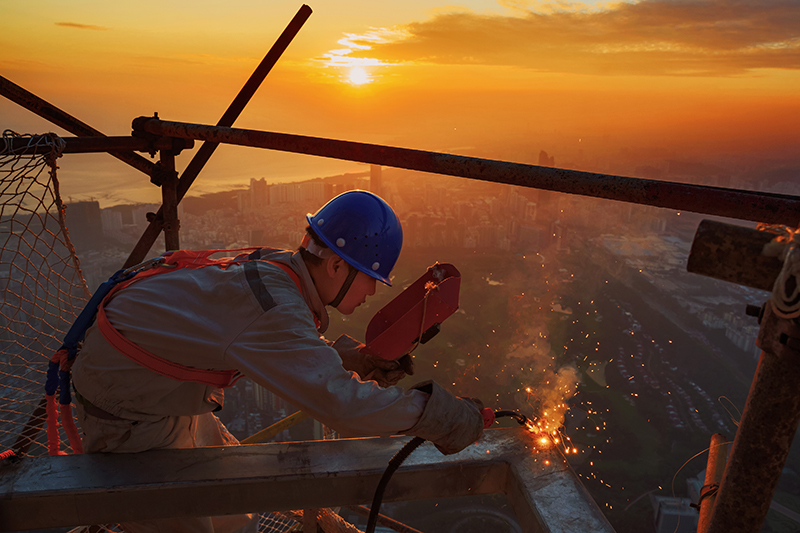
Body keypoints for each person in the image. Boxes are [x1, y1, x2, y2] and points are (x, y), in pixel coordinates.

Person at [70, 190, 484, 533]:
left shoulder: (274, 266)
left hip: (157, 395)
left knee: (236, 511)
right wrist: (440, 416)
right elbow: (342, 405)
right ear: (337, 265)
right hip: (132, 422)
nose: (372, 294)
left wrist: (353, 359)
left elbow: (267, 341)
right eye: (370, 279)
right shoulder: (273, 306)